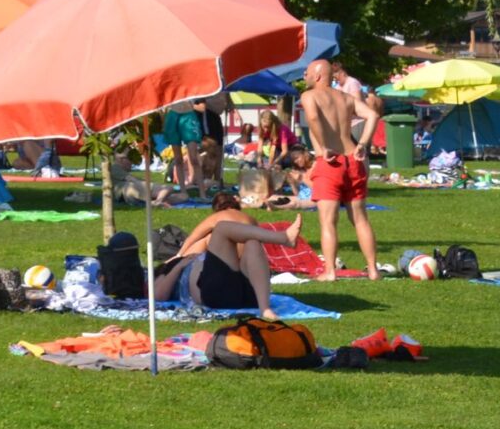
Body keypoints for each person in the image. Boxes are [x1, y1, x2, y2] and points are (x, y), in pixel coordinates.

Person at [151, 192, 306, 316]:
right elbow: (158, 296)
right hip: (215, 294)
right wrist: (178, 264)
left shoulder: (214, 222)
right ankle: (283, 238)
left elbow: (193, 238)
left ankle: (264, 309)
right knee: (223, 228)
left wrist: (181, 255)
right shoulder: (169, 267)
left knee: (251, 241)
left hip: (243, 294)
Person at [298, 60, 381, 280]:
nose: (304, 76)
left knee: (328, 220)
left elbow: (314, 117)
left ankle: (330, 272)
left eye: (306, 73)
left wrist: (324, 145)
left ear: (316, 76)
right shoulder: (345, 98)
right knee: (360, 219)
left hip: (330, 161)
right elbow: (373, 115)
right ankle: (373, 270)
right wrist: (362, 143)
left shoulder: (309, 96)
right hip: (352, 158)